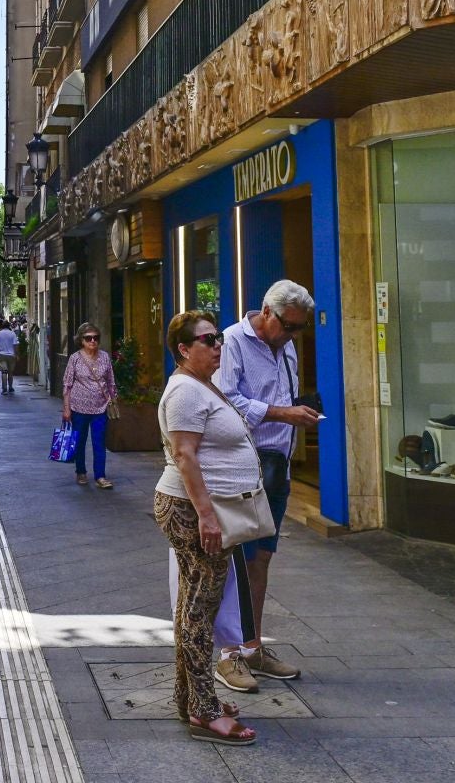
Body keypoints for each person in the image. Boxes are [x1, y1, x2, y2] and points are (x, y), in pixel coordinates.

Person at [213, 279, 323, 689]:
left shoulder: (287, 344)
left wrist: (301, 413)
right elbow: (226, 400)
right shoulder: (232, 343)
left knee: (261, 559)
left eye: (299, 329)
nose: (293, 335)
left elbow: (286, 395)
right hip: (242, 465)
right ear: (265, 311)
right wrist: (282, 414)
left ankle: (252, 646)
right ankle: (228, 656)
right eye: (289, 326)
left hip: (277, 467)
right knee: (234, 560)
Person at [155, 309, 258, 746]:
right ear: (184, 349)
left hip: (199, 507)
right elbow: (184, 456)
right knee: (201, 609)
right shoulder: (184, 392)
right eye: (208, 340)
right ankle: (203, 709)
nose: (218, 345)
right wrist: (207, 514)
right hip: (190, 508)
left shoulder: (200, 385)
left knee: (192, 605)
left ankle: (189, 697)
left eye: (218, 338)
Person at [61, 323, 117, 489]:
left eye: (96, 338)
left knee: (99, 442)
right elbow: (67, 384)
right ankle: (81, 471)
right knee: (80, 441)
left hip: (100, 407)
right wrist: (66, 408)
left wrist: (113, 399)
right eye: (88, 338)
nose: (93, 341)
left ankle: (100, 476)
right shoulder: (75, 359)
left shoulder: (104, 357)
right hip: (79, 407)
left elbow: (110, 380)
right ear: (81, 340)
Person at [0, 320, 19, 395]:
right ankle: (10, 387)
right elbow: (16, 345)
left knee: (4, 372)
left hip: (1, 355)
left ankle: (4, 389)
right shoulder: (12, 333)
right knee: (10, 372)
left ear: (2, 326)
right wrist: (17, 354)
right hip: (11, 355)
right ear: (9, 326)